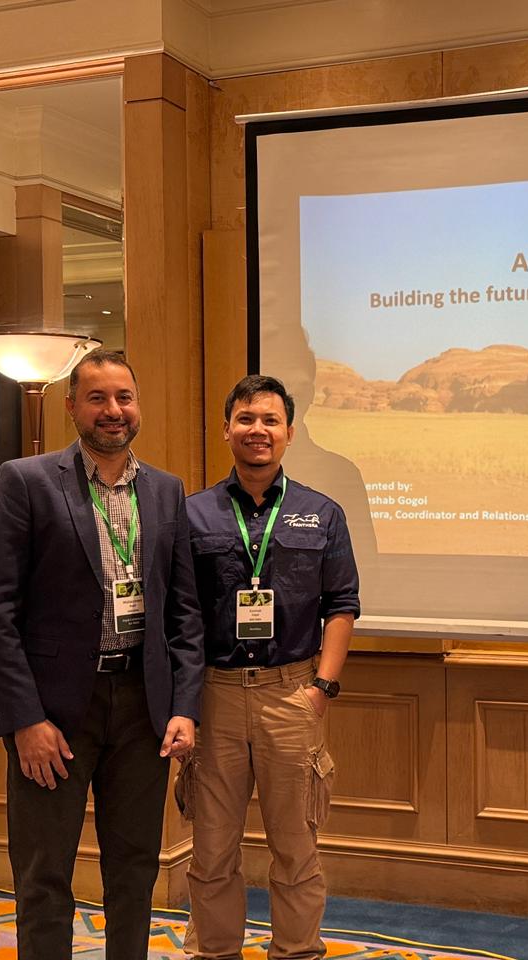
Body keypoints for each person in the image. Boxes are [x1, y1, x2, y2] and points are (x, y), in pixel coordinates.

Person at [0, 349, 204, 959]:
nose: (113, 411)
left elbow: (183, 610)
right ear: (71, 405)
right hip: (54, 715)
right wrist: (24, 719)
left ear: (138, 406)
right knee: (45, 876)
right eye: (97, 398)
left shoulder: (166, 491)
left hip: (142, 709)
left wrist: (184, 705)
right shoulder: (25, 481)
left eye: (123, 398)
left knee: (135, 869)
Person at [183, 374, 359, 960]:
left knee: (295, 850)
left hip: (292, 694)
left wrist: (322, 689)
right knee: (210, 852)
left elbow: (342, 605)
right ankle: (215, 952)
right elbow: (178, 616)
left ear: (287, 432)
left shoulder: (321, 513)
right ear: (227, 427)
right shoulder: (193, 514)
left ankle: (297, 952)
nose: (257, 430)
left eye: (270, 420)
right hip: (216, 698)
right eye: (246, 419)